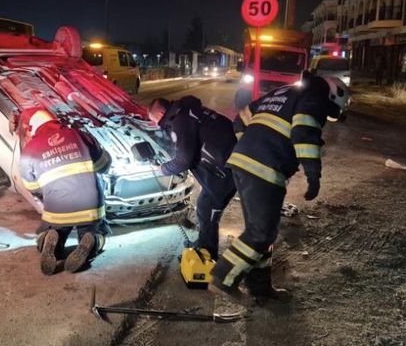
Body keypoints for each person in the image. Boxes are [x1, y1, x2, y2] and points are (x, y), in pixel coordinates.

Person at [208, 75, 350, 306]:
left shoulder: (283, 93)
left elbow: (240, 120)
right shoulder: (316, 95)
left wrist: (252, 144)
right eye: (330, 111)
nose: (327, 116)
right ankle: (223, 276)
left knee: (263, 231)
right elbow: (305, 131)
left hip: (244, 165)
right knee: (261, 233)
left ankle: (260, 287)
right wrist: (313, 175)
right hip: (264, 169)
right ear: (334, 95)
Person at [18, 109, 111, 275]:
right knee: (93, 228)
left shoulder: (29, 149)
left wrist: (48, 193)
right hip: (89, 205)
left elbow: (31, 187)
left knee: (56, 224)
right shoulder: (79, 135)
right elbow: (103, 165)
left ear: (34, 129)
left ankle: (49, 237)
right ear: (55, 121)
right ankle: (91, 239)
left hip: (57, 209)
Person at [147, 96, 237, 261]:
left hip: (226, 170)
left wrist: (164, 169)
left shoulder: (180, 121)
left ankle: (208, 256)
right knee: (204, 205)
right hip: (229, 162)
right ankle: (204, 245)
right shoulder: (189, 111)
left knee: (208, 208)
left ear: (161, 112)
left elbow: (184, 160)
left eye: (156, 121)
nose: (158, 125)